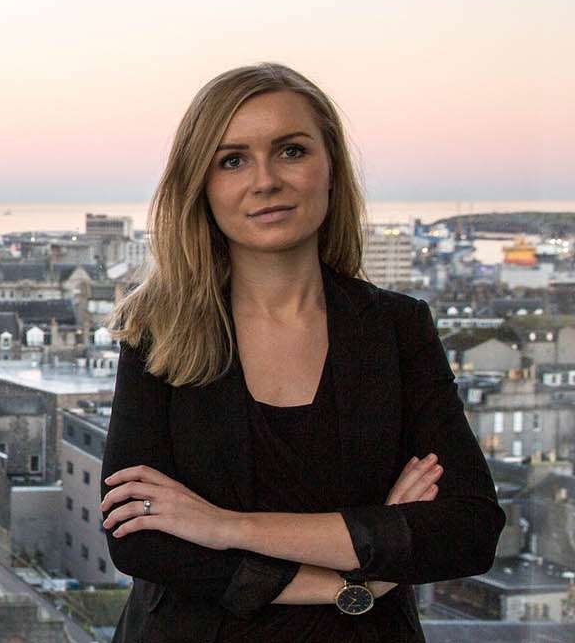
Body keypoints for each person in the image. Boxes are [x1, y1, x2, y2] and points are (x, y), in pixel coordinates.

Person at [99, 63, 503, 642]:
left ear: (330, 167)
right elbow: (137, 537)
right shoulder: (159, 331)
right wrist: (358, 577)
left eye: (291, 151)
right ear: (200, 186)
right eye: (232, 160)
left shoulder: (395, 327)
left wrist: (224, 527)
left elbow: (469, 529)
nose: (265, 181)